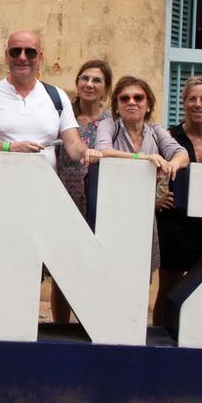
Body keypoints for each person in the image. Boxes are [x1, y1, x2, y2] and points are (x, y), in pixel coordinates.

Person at [0, 30, 102, 237]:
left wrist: (88, 152)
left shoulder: (56, 96)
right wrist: (8, 148)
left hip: (44, 198)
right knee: (0, 267)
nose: (22, 57)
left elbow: (74, 146)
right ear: (6, 56)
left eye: (30, 52)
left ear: (40, 57)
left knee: (36, 268)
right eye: (15, 51)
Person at [152, 76, 202, 327]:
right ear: (184, 103)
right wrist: (156, 199)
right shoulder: (168, 136)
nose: (198, 104)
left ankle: (192, 337)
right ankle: (160, 338)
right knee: (169, 286)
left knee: (201, 287)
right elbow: (153, 171)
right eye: (192, 99)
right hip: (174, 221)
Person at [94, 75, 190, 273]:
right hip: (112, 214)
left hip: (145, 219)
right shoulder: (110, 126)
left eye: (138, 98)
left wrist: (172, 164)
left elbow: (182, 154)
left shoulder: (156, 131)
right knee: (110, 275)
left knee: (140, 277)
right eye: (124, 98)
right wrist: (142, 158)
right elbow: (103, 151)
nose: (131, 102)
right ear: (117, 105)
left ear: (148, 105)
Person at [51, 58, 113, 324]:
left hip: (100, 203)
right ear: (77, 83)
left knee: (95, 268)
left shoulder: (113, 122)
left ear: (106, 89)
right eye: (84, 78)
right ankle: (60, 327)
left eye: (97, 80)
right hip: (65, 198)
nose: (89, 84)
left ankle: (91, 326)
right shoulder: (63, 118)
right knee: (62, 269)